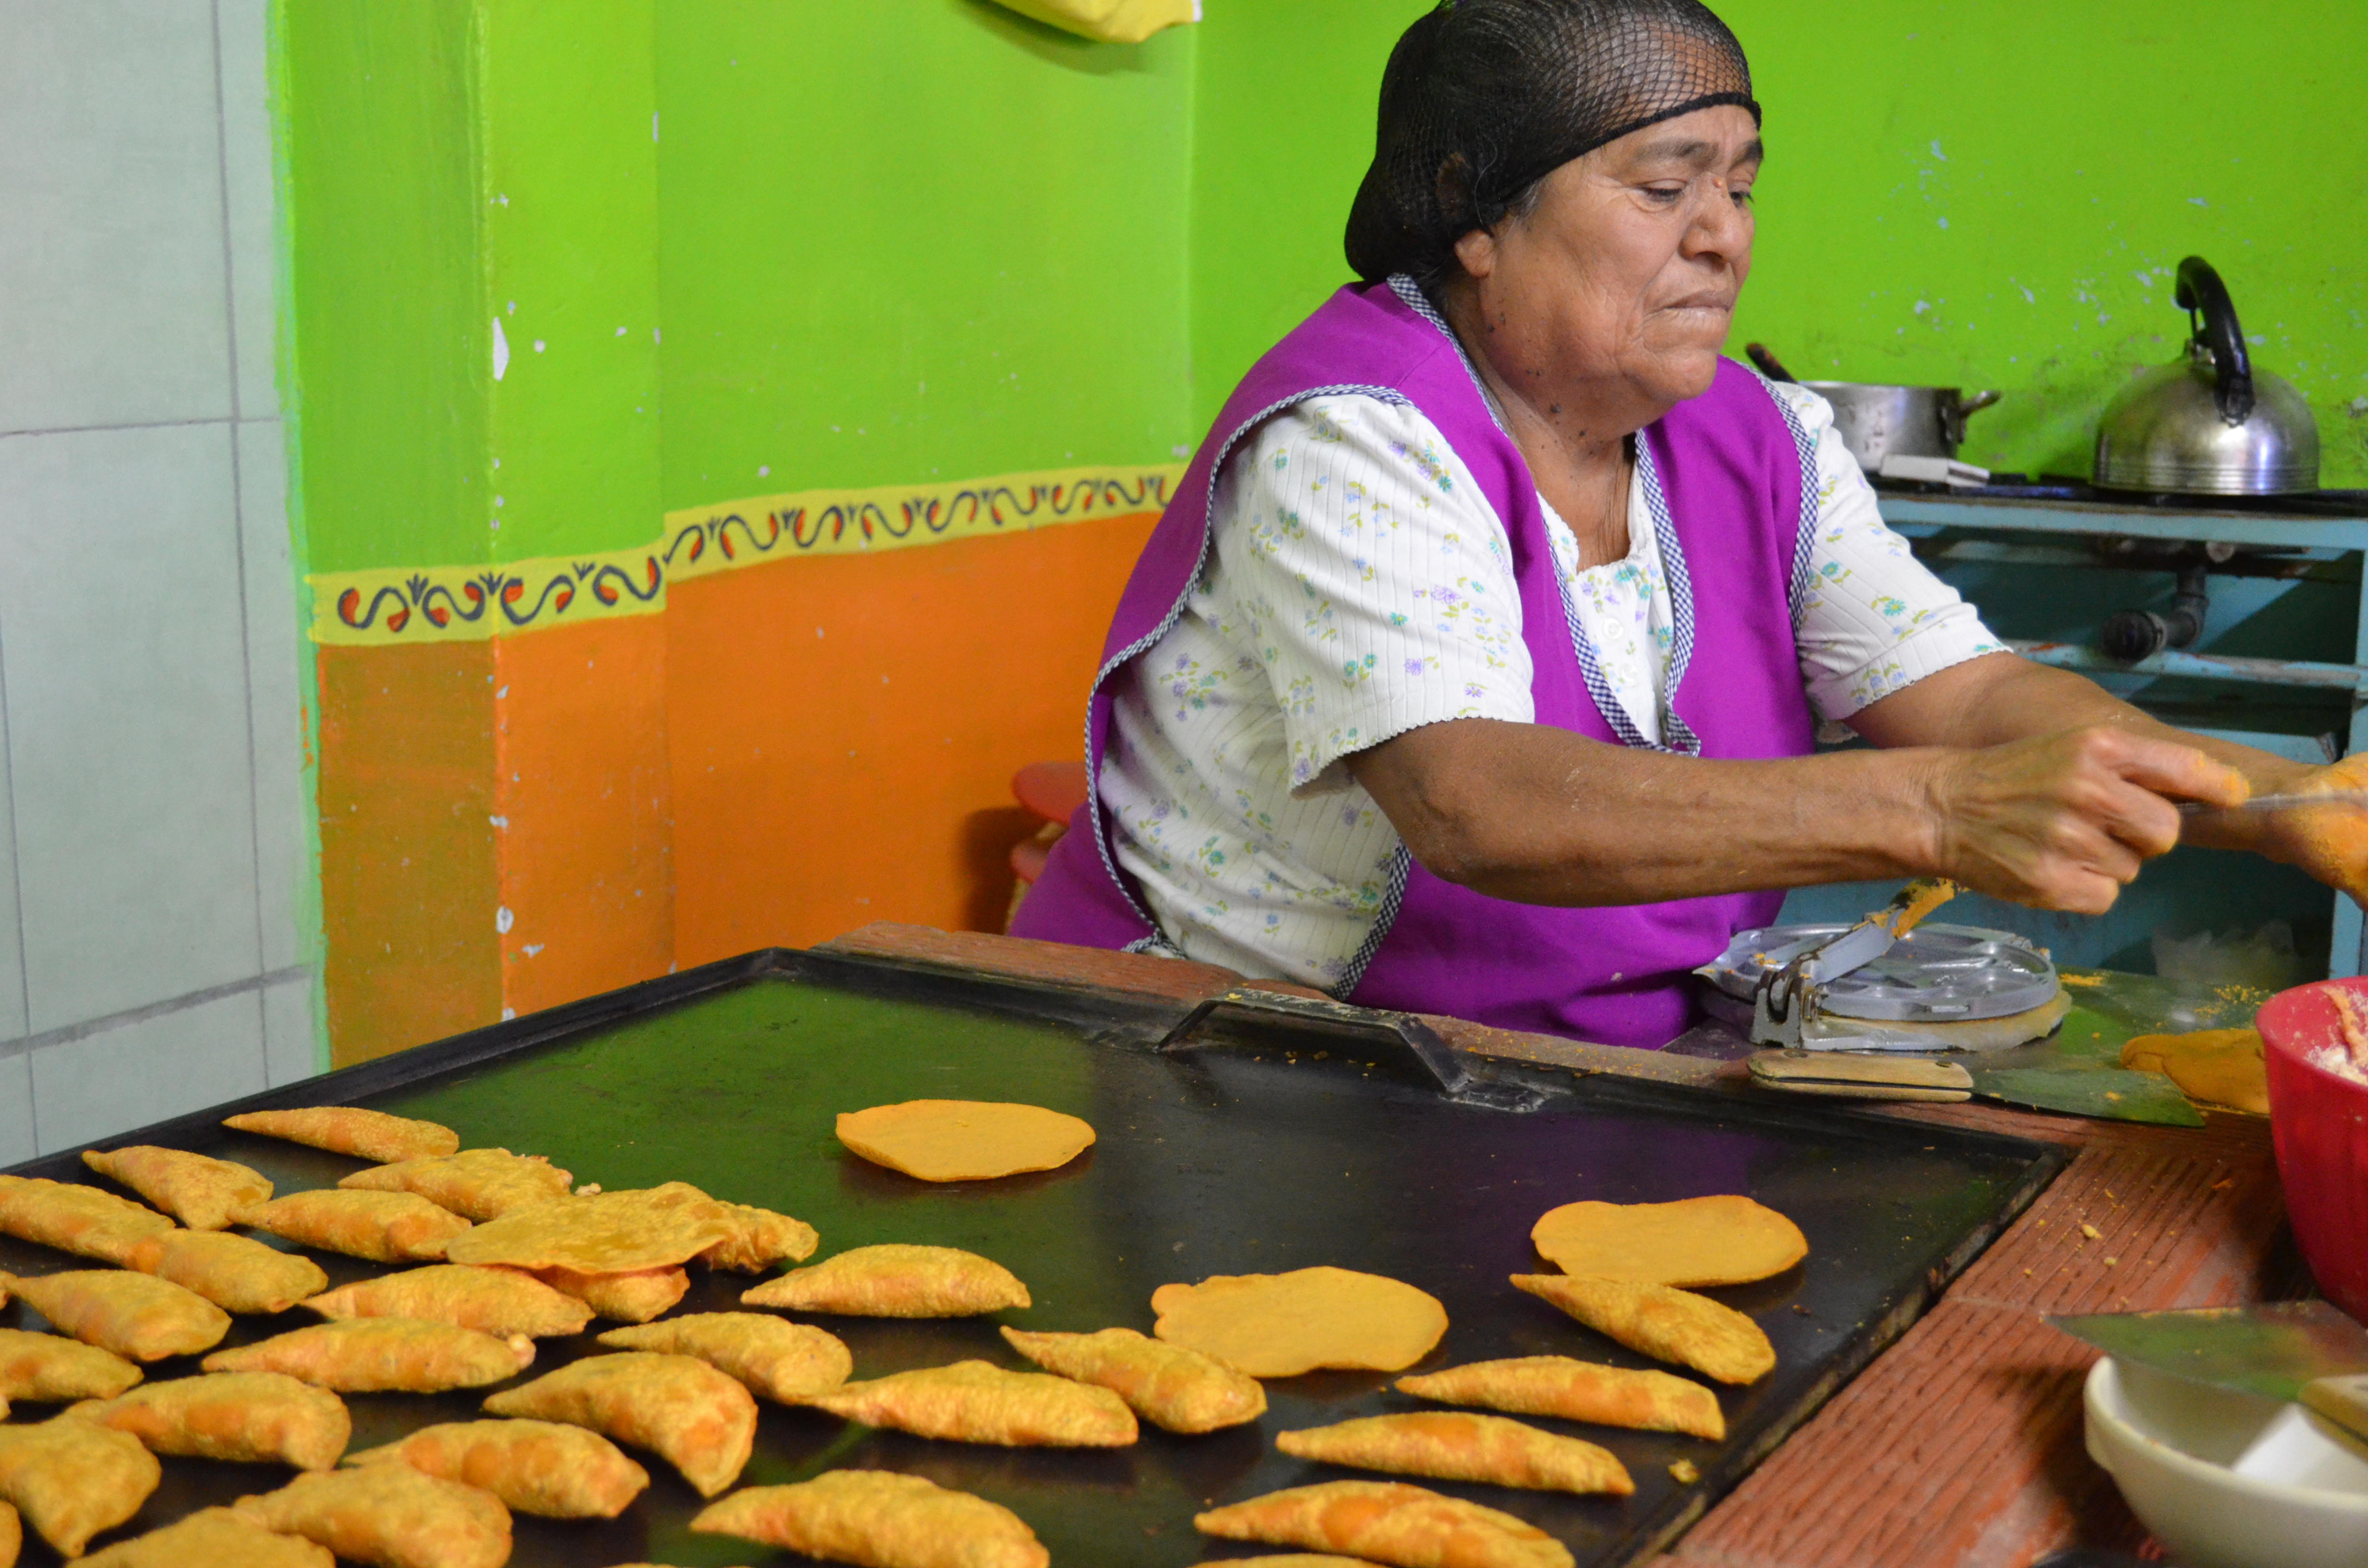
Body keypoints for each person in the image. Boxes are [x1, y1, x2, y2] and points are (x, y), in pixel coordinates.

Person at [1015, 0, 2368, 1048]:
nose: (1723, 236)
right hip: (1242, 1061)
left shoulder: (1761, 436)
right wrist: (1938, 812)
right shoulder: (1356, 435)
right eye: (1666, 190)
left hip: (1566, 1067)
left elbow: (1963, 701)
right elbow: (1475, 804)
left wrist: (2281, 807)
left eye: (1741, 186)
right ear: (1475, 215)